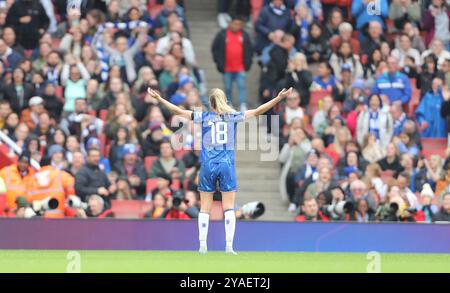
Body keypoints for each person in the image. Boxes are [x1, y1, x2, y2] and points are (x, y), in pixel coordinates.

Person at [147, 86, 293, 255]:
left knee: (205, 208)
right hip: (226, 165)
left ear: (210, 103)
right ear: (224, 101)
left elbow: (177, 110)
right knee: (229, 206)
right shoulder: (232, 117)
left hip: (208, 164)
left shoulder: (203, 117)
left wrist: (159, 98)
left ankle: (202, 245)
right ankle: (229, 246)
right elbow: (259, 111)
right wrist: (278, 98)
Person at [211, 16, 253, 111]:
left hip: (240, 67)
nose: (237, 26)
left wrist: (248, 63)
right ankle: (229, 105)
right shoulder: (222, 34)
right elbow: (215, 48)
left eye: (239, 24)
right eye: (235, 24)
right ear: (230, 24)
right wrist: (218, 62)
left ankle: (242, 104)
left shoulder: (244, 35)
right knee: (228, 88)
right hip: (227, 68)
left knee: (241, 87)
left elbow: (250, 49)